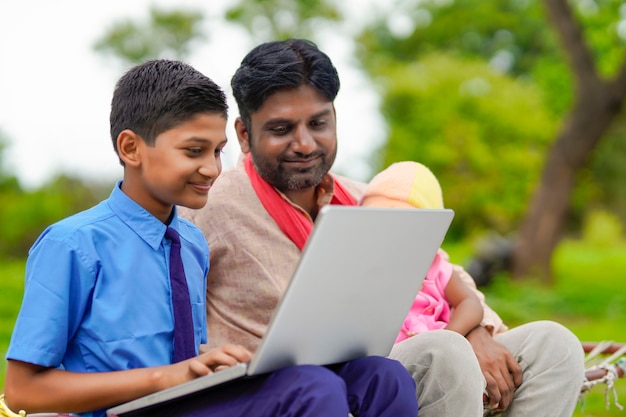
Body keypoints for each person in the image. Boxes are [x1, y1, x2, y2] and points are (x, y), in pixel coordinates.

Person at [180, 38, 585, 417]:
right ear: (244, 135)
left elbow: (444, 273)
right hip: (296, 388)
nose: (304, 144)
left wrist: (479, 330)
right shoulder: (211, 205)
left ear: (335, 118)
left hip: (398, 358)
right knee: (445, 352)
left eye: (318, 124)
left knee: (554, 344)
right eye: (282, 129)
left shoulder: (370, 197)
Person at [2, 59, 418, 417]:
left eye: (218, 151)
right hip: (127, 410)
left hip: (185, 400)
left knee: (381, 375)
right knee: (312, 388)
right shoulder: (73, 244)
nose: (212, 169)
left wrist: (217, 361)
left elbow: (177, 353)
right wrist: (169, 375)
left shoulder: (191, 242)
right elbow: (24, 391)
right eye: (193, 150)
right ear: (131, 148)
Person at [359, 161, 484, 342]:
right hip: (395, 356)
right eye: (381, 226)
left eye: (406, 230)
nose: (394, 238)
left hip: (440, 347)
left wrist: (449, 336)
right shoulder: (364, 267)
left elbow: (471, 303)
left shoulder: (435, 267)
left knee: (540, 334)